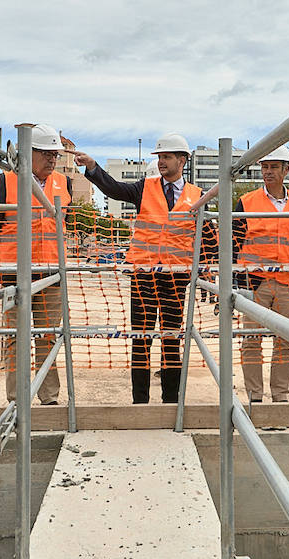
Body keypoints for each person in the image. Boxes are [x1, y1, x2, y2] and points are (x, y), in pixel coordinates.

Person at [75, 133, 209, 404]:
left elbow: (207, 235)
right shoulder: (143, 188)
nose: (161, 162)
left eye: (167, 157)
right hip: (143, 276)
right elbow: (113, 189)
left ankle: (171, 401)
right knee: (142, 339)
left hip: (175, 279)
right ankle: (140, 403)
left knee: (172, 340)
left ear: (182, 160)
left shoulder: (197, 197)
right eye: (159, 157)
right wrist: (92, 167)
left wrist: (206, 267)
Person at [0, 124, 72, 406]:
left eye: (55, 154)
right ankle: (17, 399)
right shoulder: (5, 181)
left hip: (52, 273)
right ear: (29, 153)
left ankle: (49, 397)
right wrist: (6, 257)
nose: (52, 160)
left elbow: (65, 226)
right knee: (16, 339)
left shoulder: (63, 183)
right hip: (14, 275)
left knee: (47, 336)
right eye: (46, 154)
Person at [234, 146, 289, 404]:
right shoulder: (246, 203)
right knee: (251, 342)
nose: (267, 172)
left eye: (273, 167)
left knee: (284, 343)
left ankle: (280, 399)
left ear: (286, 170)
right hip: (256, 284)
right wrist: (237, 284)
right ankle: (255, 399)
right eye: (264, 167)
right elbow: (233, 245)